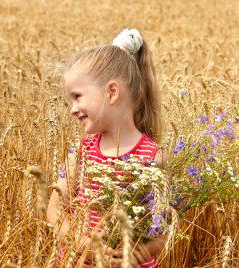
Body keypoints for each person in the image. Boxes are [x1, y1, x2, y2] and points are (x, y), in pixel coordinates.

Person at [46, 29, 168, 267]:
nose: (72, 108)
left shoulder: (153, 158)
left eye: (78, 96)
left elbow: (162, 231)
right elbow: (55, 207)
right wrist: (79, 242)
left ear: (112, 92)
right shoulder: (82, 151)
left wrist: (133, 253)